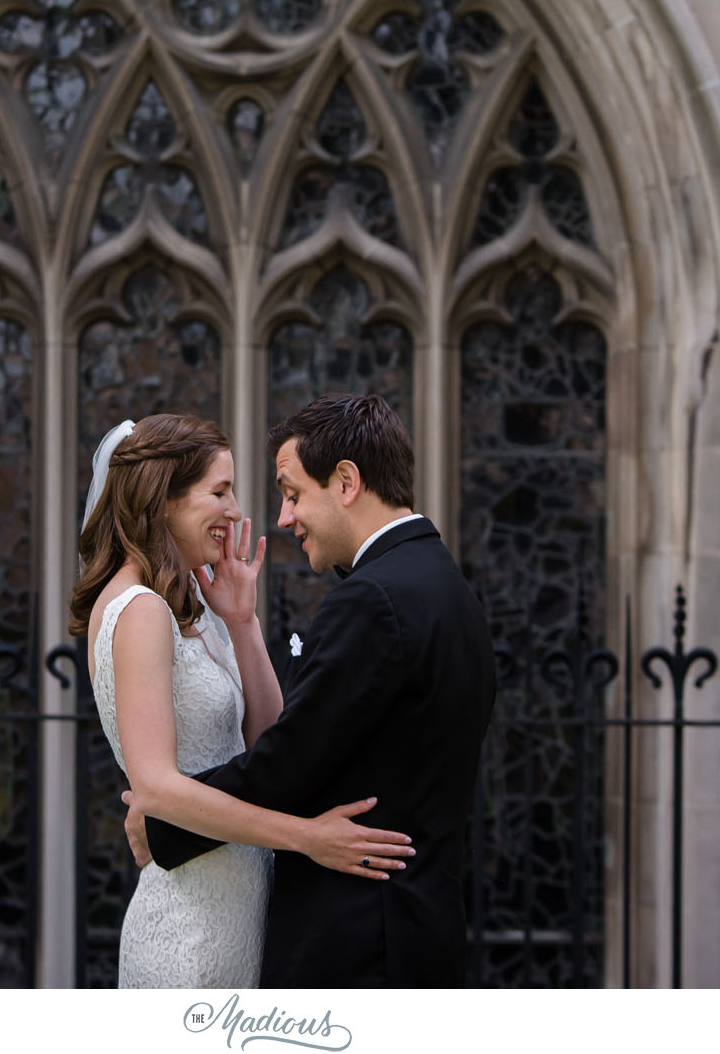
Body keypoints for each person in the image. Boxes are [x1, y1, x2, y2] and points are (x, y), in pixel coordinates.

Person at [124, 393, 497, 987]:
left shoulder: (374, 601)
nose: (281, 518)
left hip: (358, 944)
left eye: (293, 493)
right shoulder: (449, 590)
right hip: (422, 933)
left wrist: (164, 817)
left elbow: (289, 764)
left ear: (346, 482)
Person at [70, 412, 416, 988]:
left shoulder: (194, 608)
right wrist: (307, 837)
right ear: (163, 499)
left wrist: (242, 622)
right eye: (219, 491)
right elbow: (155, 788)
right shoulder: (140, 609)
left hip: (240, 912)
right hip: (188, 930)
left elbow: (269, 741)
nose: (235, 511)